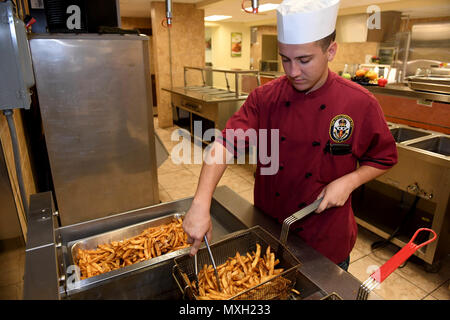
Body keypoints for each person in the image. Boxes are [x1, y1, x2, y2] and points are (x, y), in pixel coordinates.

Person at [182, 0, 398, 271]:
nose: (293, 72)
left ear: (331, 51)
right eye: (286, 59)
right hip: (269, 226)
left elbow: (384, 157)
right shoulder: (265, 97)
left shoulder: (360, 103)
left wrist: (351, 180)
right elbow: (225, 144)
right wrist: (201, 203)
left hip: (325, 238)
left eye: (304, 60)